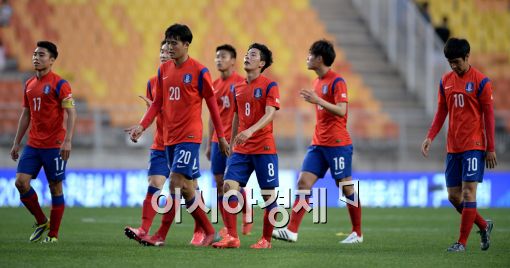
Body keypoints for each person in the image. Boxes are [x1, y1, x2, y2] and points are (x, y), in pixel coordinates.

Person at [128, 23, 229, 247]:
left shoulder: (200, 70)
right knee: (186, 189)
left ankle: (159, 235)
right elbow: (157, 104)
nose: (170, 47)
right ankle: (209, 231)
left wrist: (221, 136)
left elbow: (213, 106)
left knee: (174, 182)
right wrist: (142, 126)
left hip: (190, 136)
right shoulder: (163, 71)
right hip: (169, 138)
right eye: (167, 42)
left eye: (174, 43)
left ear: (186, 45)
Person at [272, 39, 363, 244]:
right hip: (318, 144)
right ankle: (292, 230)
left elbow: (341, 110)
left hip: (338, 144)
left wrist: (318, 100)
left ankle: (357, 233)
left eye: (310, 54)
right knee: (303, 182)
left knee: (345, 186)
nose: (307, 57)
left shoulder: (337, 81)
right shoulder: (316, 82)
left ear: (319, 58)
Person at [421, 38, 496, 252]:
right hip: (453, 146)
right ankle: (483, 225)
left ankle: (461, 243)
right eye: (450, 62)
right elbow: (441, 111)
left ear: (466, 57)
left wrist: (490, 147)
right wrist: (430, 136)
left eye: (456, 61)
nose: (453, 66)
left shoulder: (481, 82)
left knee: (468, 193)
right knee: (453, 196)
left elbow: (488, 116)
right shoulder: (445, 81)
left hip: (474, 145)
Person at [212, 43, 280, 249]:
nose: (247, 57)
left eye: (253, 55)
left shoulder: (270, 85)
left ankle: (266, 240)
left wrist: (250, 131)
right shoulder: (238, 87)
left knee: (268, 196)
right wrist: (231, 142)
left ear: (262, 63)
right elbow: (235, 116)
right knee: (228, 186)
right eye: (247, 54)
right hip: (241, 149)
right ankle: (232, 236)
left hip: (264, 148)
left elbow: (270, 113)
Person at [10, 41, 76, 243]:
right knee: (21, 183)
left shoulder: (60, 84)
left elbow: (72, 113)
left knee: (55, 188)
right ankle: (41, 220)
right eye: (35, 54)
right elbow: (26, 114)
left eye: (42, 55)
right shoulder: (29, 84)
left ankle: (53, 235)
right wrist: (16, 142)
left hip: (55, 145)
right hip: (33, 144)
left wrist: (67, 141)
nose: (36, 58)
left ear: (52, 60)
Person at [124, 40, 173, 244]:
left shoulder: (182, 80)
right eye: (161, 51)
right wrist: (140, 127)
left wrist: (157, 108)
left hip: (181, 142)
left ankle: (203, 229)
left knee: (187, 190)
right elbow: (153, 111)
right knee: (155, 183)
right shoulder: (153, 81)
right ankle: (144, 229)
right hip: (160, 142)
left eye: (168, 51)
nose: (163, 54)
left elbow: (180, 113)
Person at [204, 44, 252, 237]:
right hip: (217, 140)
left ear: (233, 61)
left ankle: (246, 211)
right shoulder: (214, 85)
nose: (218, 60)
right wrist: (208, 144)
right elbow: (210, 117)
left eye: (223, 56)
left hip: (234, 141)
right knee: (218, 182)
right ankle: (227, 225)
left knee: (232, 183)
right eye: (216, 57)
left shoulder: (241, 83)